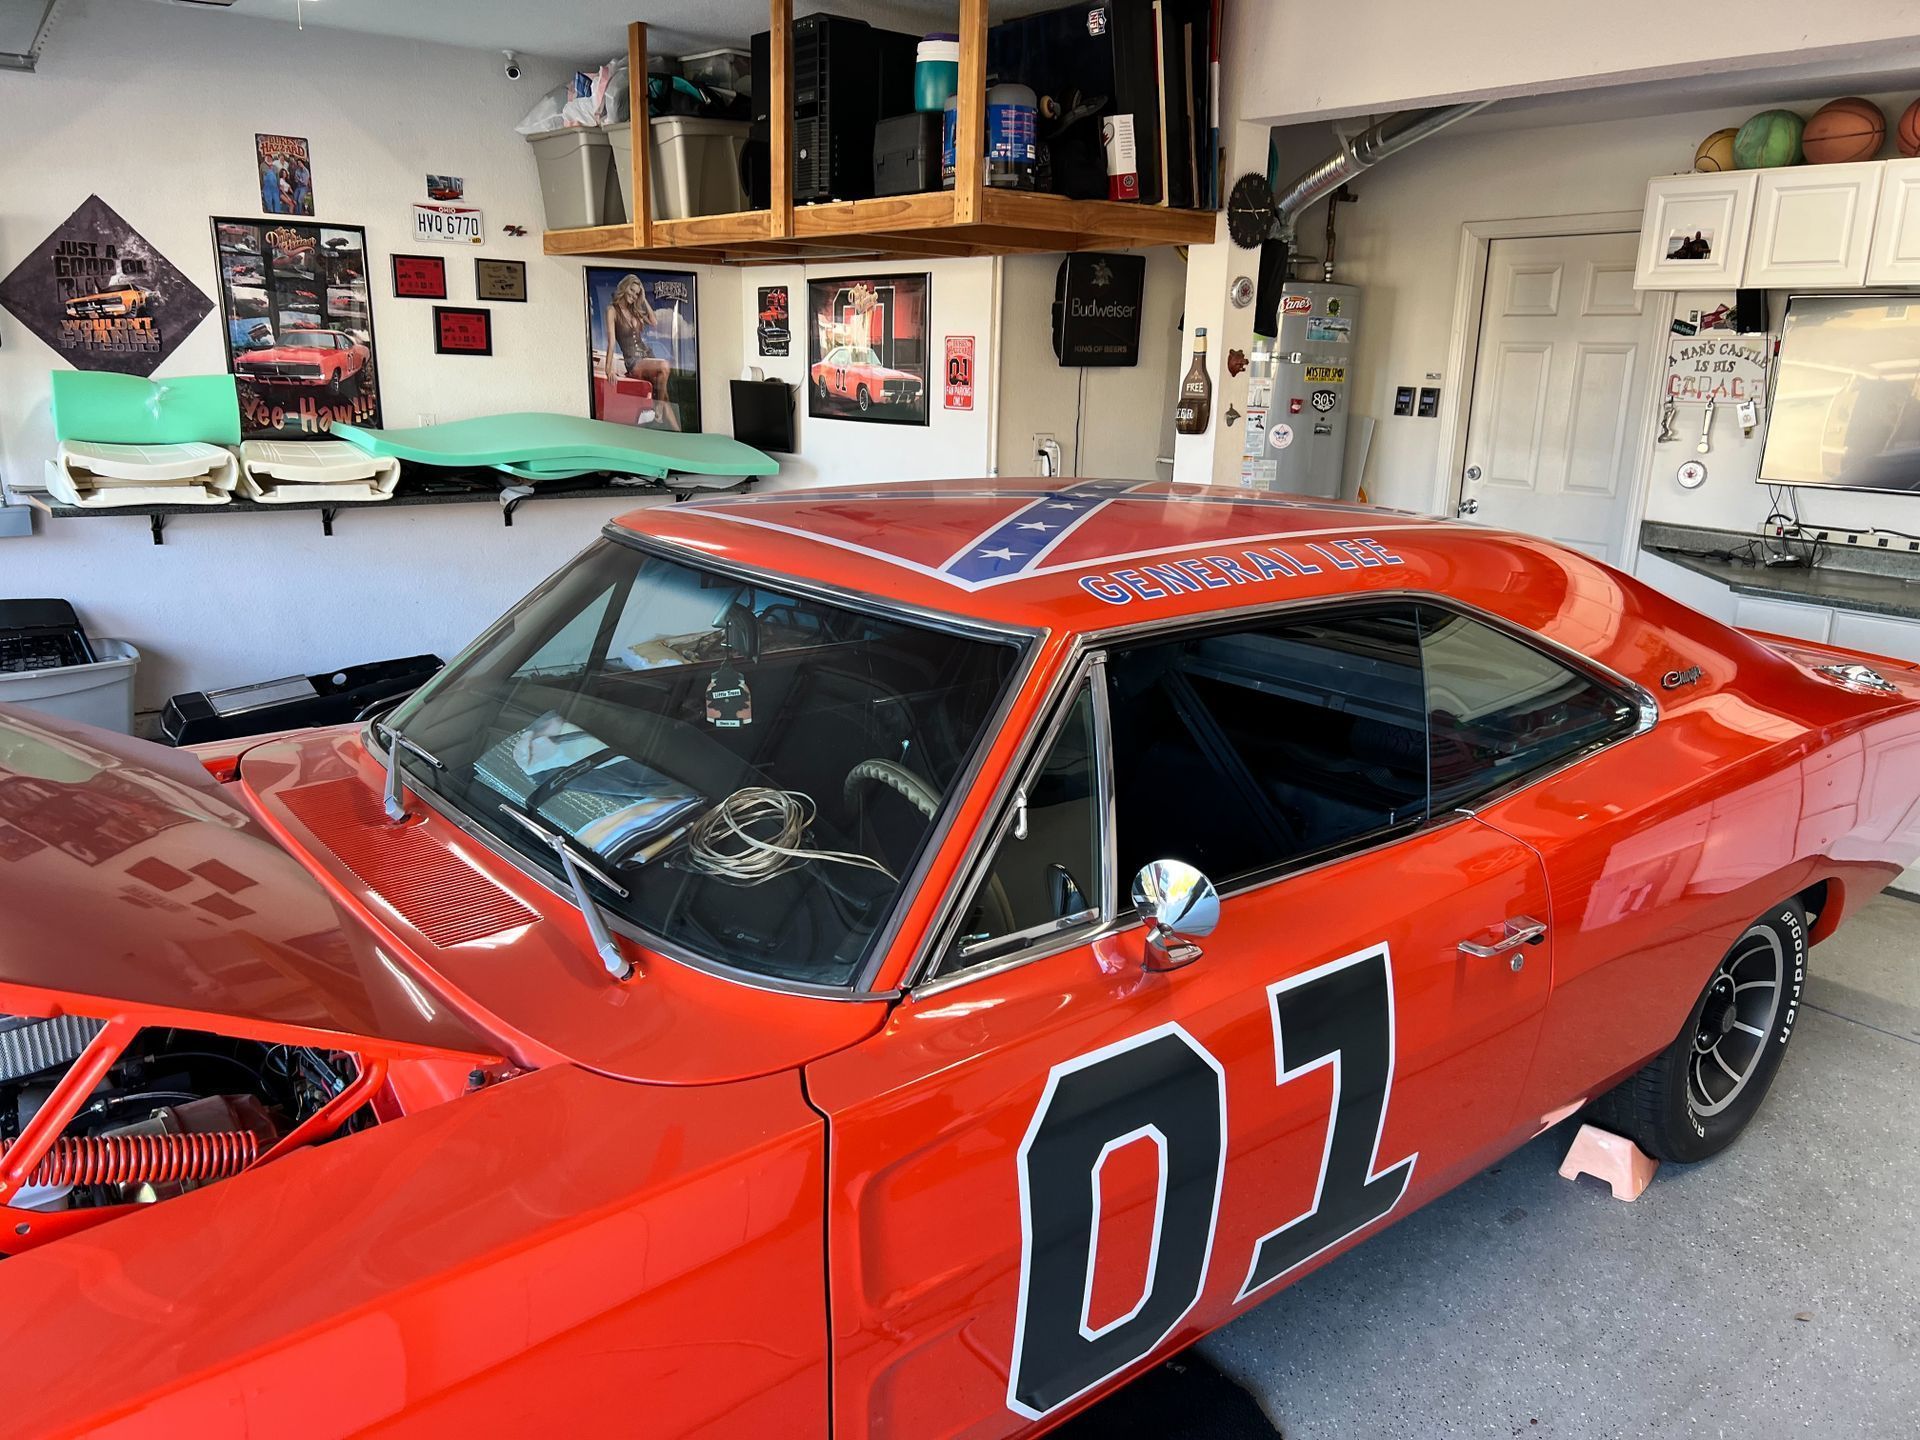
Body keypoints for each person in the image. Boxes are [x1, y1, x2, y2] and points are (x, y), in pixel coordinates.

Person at [600, 274, 678, 429]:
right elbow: (611, 341)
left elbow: (654, 321)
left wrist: (643, 299)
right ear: (624, 287)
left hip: (647, 357)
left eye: (637, 293)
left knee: (665, 396)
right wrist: (608, 369)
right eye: (632, 291)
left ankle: (679, 435)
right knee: (664, 365)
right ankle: (658, 408)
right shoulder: (612, 310)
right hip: (634, 362)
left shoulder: (635, 311)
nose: (633, 296)